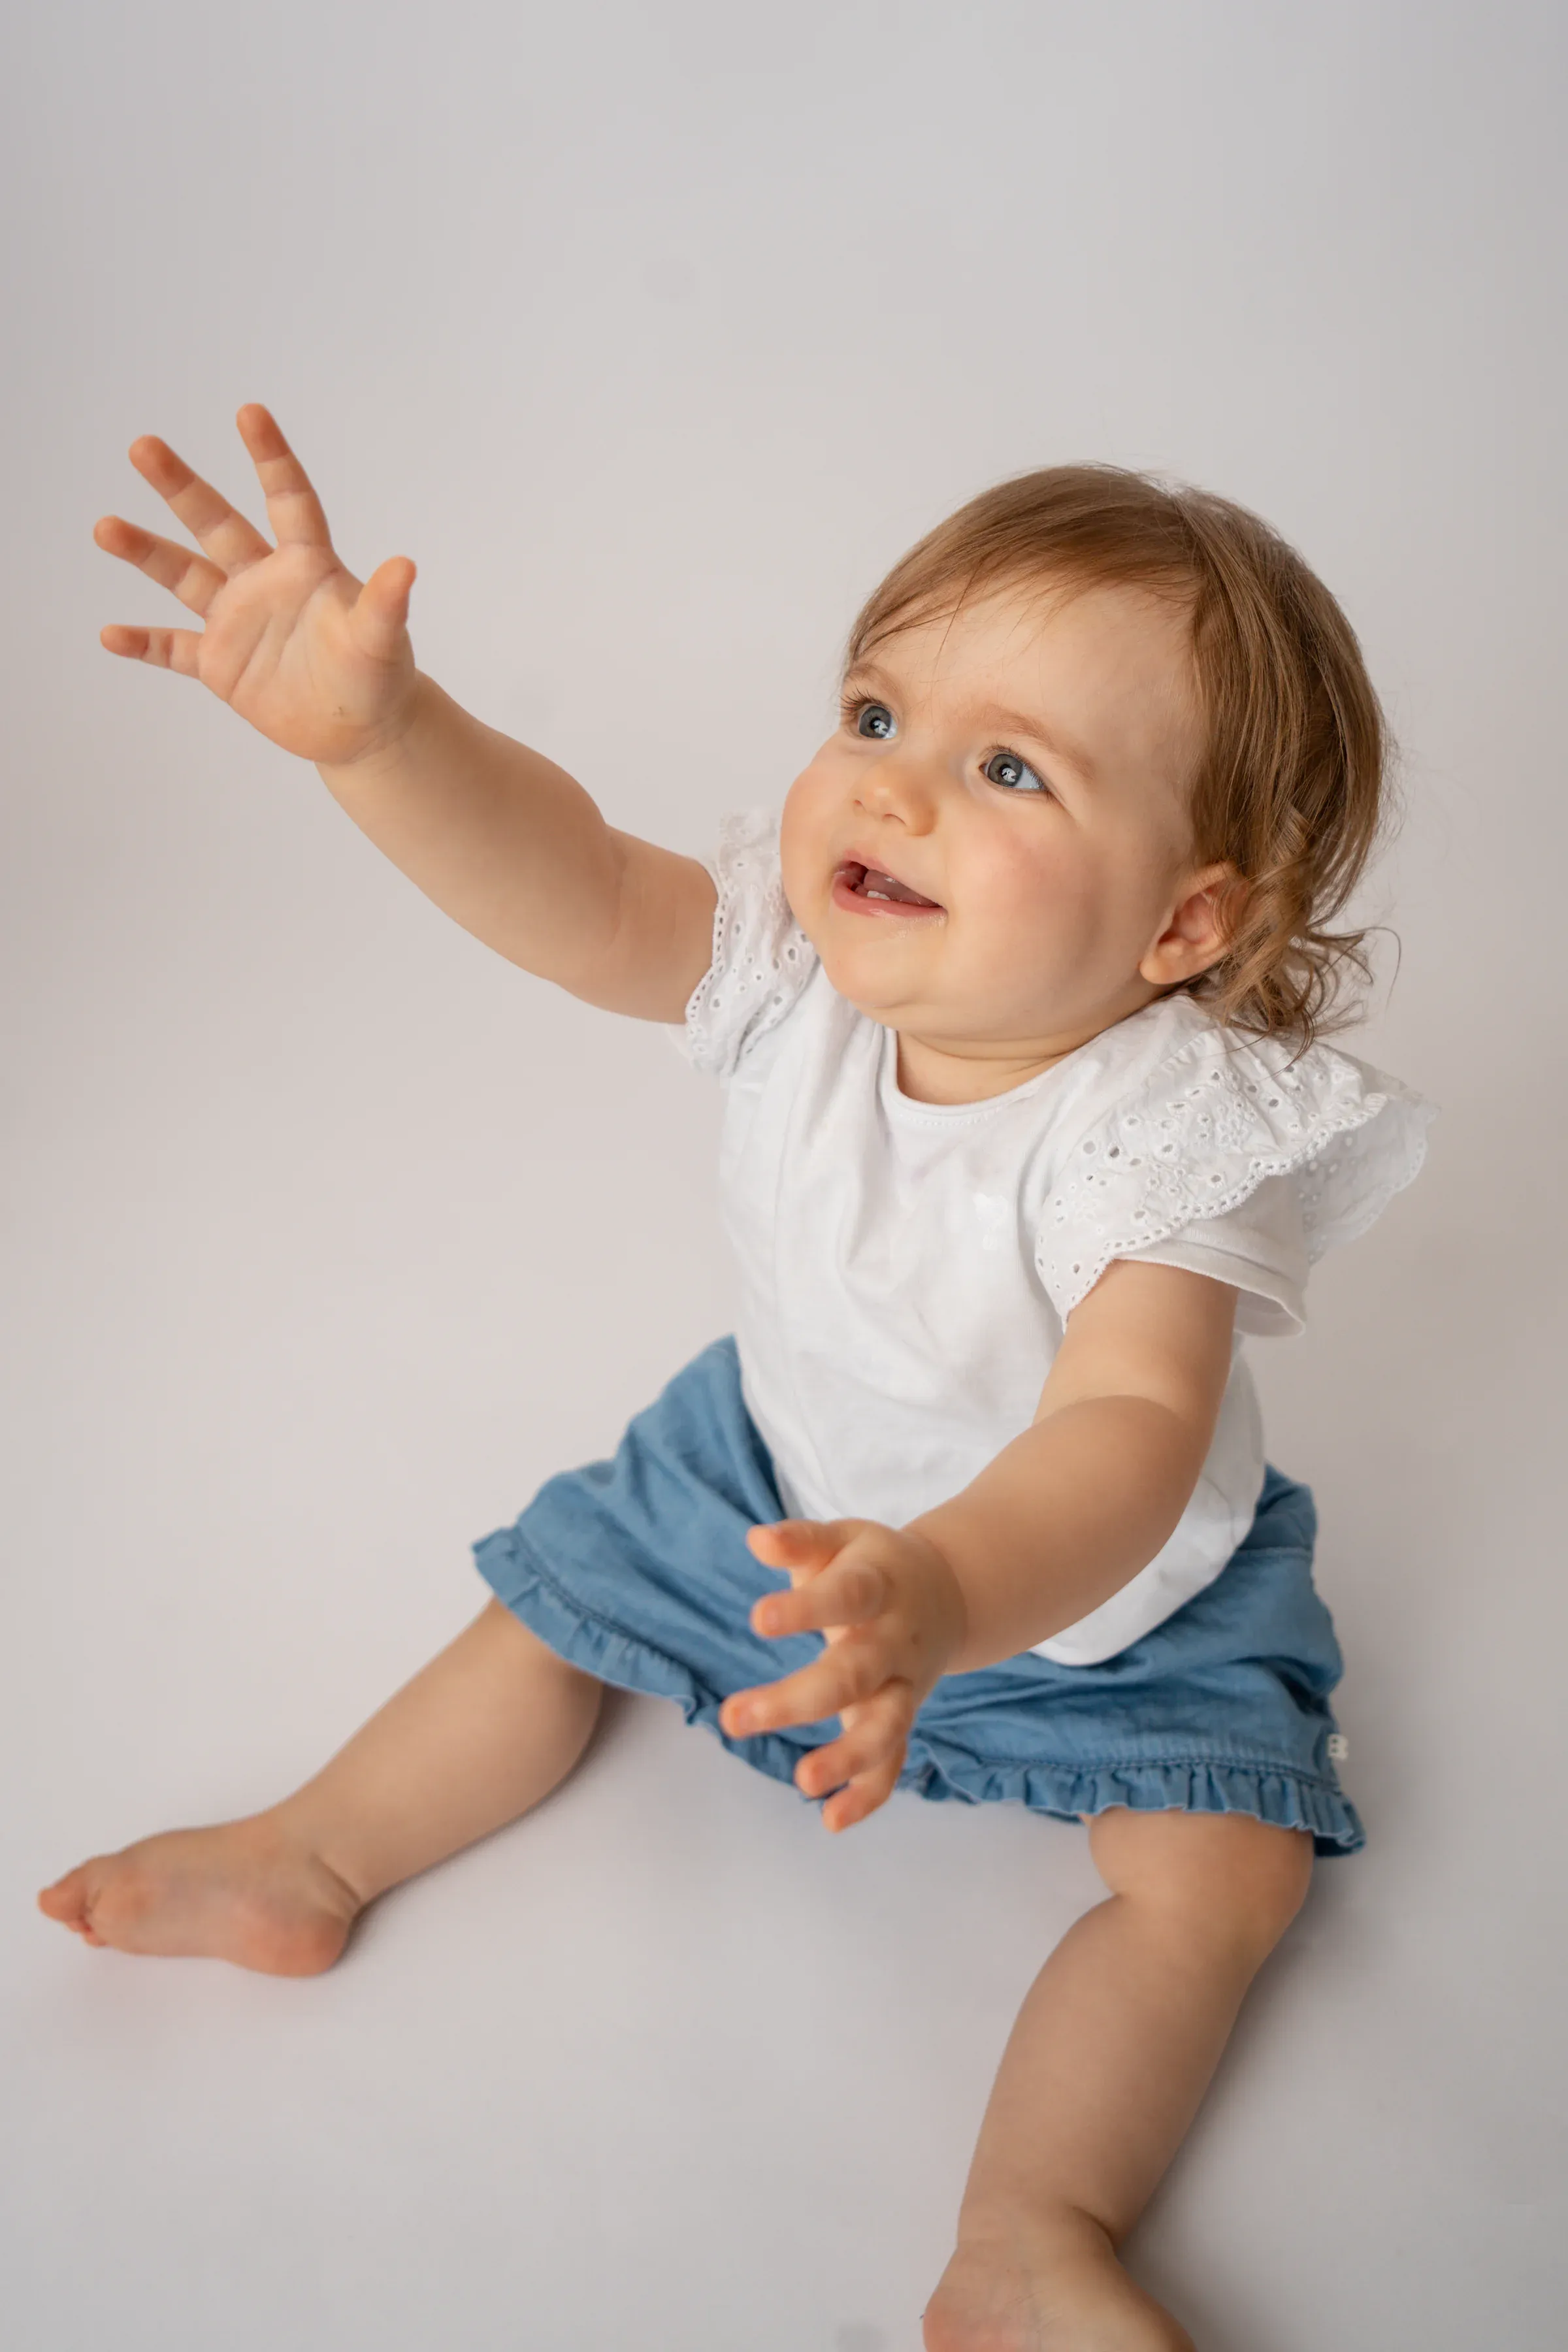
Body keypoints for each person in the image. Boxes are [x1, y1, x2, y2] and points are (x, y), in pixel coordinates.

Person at [39, 408, 1433, 2351]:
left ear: (1183, 923)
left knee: (1223, 1883)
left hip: (1108, 1599)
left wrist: (937, 1595)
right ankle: (313, 1851)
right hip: (782, 1465)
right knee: (549, 1611)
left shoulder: (1164, 1130)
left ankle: (1030, 2231)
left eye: (1007, 767)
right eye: (876, 714)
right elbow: (586, 897)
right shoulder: (794, 966)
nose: (900, 793)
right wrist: (387, 742)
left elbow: (1126, 1439)